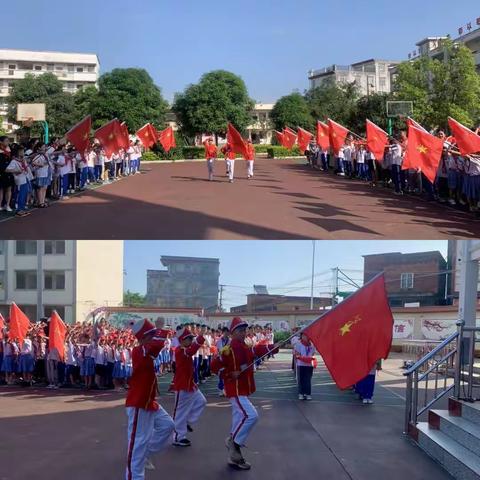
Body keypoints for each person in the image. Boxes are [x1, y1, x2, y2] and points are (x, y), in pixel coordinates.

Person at [211, 317, 277, 470]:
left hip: (242, 388)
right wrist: (229, 374)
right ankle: (233, 444)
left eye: (244, 330)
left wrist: (272, 347)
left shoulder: (243, 345)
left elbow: (254, 352)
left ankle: (234, 456)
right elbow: (214, 366)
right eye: (240, 331)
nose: (243, 333)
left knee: (239, 419)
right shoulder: (228, 349)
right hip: (235, 389)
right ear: (233, 333)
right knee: (251, 416)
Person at [125, 319, 174, 479]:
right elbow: (156, 346)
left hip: (148, 402)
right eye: (151, 335)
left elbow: (155, 347)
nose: (154, 338)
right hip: (139, 403)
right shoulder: (139, 351)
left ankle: (145, 452)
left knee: (168, 425)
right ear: (144, 338)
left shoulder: (147, 351)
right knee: (137, 444)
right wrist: (159, 329)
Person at [171, 326, 207, 447]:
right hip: (182, 385)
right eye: (189, 339)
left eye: (192, 338)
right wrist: (201, 337)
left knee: (201, 401)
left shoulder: (185, 349)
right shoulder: (179, 350)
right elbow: (192, 350)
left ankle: (187, 421)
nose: (191, 341)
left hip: (190, 384)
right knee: (179, 413)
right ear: (182, 340)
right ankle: (177, 437)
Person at [5, 145, 31, 217]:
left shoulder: (23, 160)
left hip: (25, 179)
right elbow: (7, 170)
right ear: (18, 152)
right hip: (19, 180)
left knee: (24, 194)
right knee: (19, 195)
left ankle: (22, 209)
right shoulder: (14, 161)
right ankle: (18, 210)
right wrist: (16, 170)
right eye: (22, 151)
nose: (23, 152)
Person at [294, 333, 316, 400]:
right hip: (301, 364)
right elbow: (297, 354)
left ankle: (308, 394)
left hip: (309, 365)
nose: (305, 337)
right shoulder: (298, 344)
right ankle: (301, 393)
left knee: (308, 379)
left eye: (307, 335)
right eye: (303, 335)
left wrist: (309, 359)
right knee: (301, 379)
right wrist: (302, 358)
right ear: (301, 336)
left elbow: (312, 353)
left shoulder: (312, 345)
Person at [0, 136, 13, 212]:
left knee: (9, 188)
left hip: (9, 172)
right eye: (6, 141)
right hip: (1, 172)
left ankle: (7, 205)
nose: (8, 142)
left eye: (8, 141)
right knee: (1, 189)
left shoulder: (9, 150)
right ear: (1, 142)